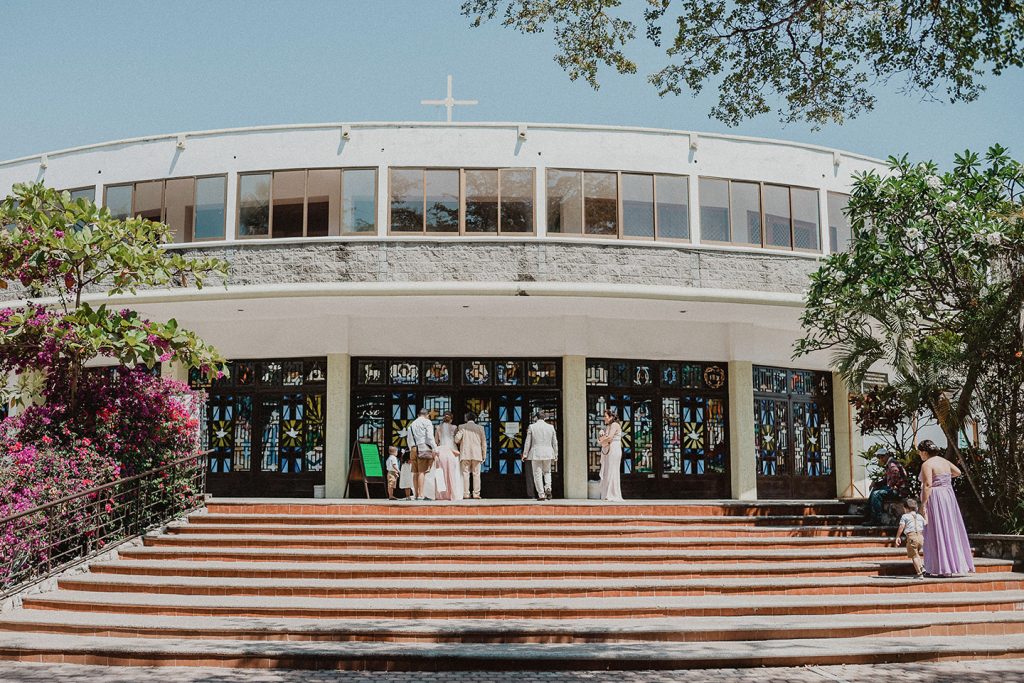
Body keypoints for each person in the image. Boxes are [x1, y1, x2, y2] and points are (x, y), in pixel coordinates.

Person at [918, 439, 975, 576]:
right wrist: (944, 480)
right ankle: (952, 564)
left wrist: (923, 505)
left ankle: (939, 567)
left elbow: (927, 485)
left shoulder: (927, 464)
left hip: (936, 497)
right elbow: (958, 472)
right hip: (948, 496)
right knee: (949, 528)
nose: (920, 455)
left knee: (936, 529)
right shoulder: (944, 461)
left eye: (920, 452)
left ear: (925, 452)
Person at [523, 410, 558, 501]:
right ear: (544, 418)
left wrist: (525, 454)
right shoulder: (550, 427)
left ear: (536, 417)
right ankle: (548, 488)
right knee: (547, 472)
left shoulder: (532, 427)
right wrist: (556, 454)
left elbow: (528, 442)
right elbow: (555, 442)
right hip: (548, 452)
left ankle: (541, 494)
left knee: (537, 474)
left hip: (536, 453)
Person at [866, 449, 908, 525]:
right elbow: (886, 480)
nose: (880, 459)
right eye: (879, 457)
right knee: (875, 489)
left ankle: (876, 519)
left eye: (881, 457)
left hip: (899, 491)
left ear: (886, 456)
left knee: (876, 494)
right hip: (895, 488)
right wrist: (876, 483)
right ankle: (867, 512)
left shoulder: (891, 464)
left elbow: (895, 473)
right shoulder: (890, 464)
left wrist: (893, 485)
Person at [407, 407, 437, 500]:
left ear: (418, 415)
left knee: (415, 472)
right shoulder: (427, 422)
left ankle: (415, 494)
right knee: (421, 472)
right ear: (427, 415)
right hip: (422, 448)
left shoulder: (411, 425)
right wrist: (434, 448)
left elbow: (408, 439)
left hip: (413, 448)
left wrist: (411, 448)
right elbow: (430, 436)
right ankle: (421, 495)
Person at [455, 411, 487, 499]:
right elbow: (484, 442)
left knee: (466, 474)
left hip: (465, 453)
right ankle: (476, 493)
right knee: (476, 474)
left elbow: (457, 439)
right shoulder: (480, 428)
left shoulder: (462, 427)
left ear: (466, 418)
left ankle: (466, 494)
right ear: (475, 419)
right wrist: (484, 454)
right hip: (477, 454)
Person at [895, 498, 926, 579]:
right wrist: (925, 513)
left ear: (906, 508)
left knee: (914, 556)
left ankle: (919, 573)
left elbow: (901, 526)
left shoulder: (905, 516)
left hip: (912, 537)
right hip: (920, 537)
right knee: (916, 554)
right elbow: (926, 523)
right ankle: (922, 567)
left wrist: (898, 536)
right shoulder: (919, 516)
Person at [597, 408, 624, 501]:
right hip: (609, 449)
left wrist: (601, 441)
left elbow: (610, 438)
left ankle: (612, 494)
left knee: (612, 470)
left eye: (605, 416)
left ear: (611, 417)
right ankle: (607, 493)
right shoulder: (609, 426)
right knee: (607, 470)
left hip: (614, 449)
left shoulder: (615, 425)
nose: (604, 418)